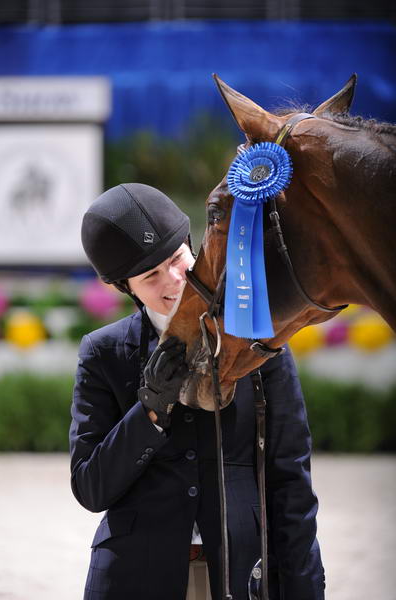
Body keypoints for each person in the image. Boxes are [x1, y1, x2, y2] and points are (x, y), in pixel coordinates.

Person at [69, 182, 325, 600]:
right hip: (136, 576)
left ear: (192, 245)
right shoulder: (102, 353)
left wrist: (306, 588)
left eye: (176, 259)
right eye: (151, 276)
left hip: (240, 571)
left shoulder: (259, 340)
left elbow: (291, 480)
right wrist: (149, 411)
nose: (174, 280)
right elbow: (91, 488)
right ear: (125, 288)